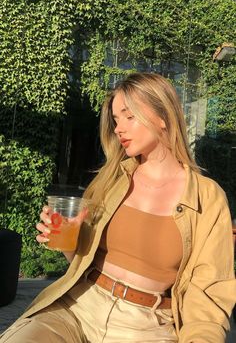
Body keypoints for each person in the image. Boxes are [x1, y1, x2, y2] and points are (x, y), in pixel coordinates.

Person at [1, 72, 235, 343]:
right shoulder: (112, 179)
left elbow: (209, 290)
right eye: (115, 119)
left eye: (129, 116)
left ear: (163, 117)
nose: (118, 128)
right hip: (78, 308)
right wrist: (68, 242)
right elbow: (80, 260)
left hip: (147, 327)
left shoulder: (207, 197)